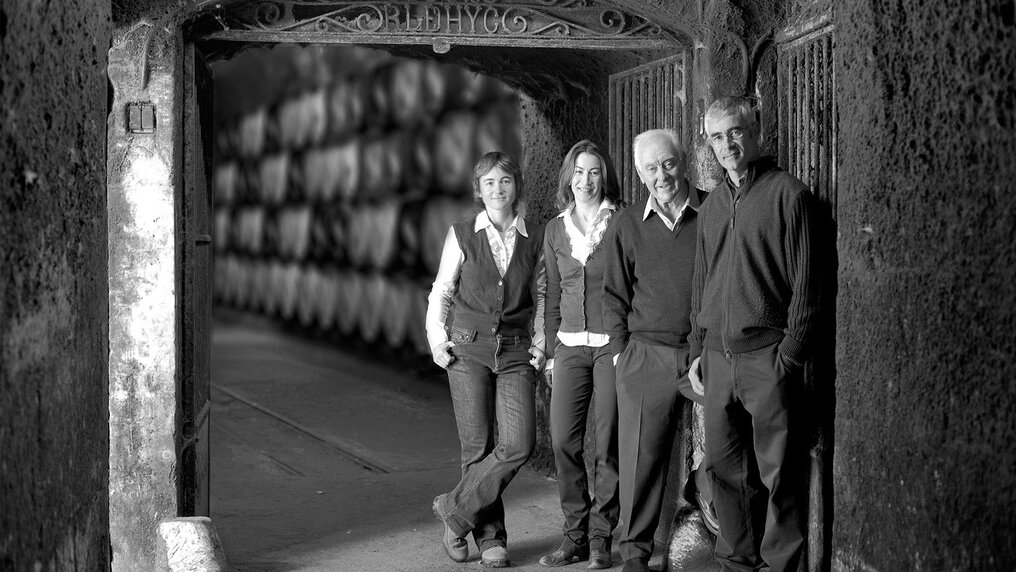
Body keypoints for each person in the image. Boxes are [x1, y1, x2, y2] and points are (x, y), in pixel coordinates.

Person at [688, 95, 827, 571]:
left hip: (767, 358)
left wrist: (788, 356)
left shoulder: (790, 195)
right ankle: (736, 561)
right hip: (717, 359)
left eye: (735, 132)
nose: (727, 144)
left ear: (754, 132)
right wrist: (697, 349)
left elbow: (809, 288)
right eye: (716, 137)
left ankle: (780, 566)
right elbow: (701, 283)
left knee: (780, 475)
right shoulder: (710, 207)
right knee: (725, 472)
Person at [427, 151, 547, 569]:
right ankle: (491, 539)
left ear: (517, 186)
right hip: (467, 345)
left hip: (515, 349)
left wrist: (541, 339)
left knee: (517, 443)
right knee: (476, 447)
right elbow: (442, 289)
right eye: (489, 182)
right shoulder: (462, 233)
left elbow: (544, 294)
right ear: (478, 190)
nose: (498, 189)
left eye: (506, 181)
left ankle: (454, 510)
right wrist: (437, 339)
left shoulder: (537, 236)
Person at [602, 128, 706, 572]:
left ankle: (720, 544)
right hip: (644, 354)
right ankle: (635, 556)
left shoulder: (713, 211)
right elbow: (612, 294)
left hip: (704, 354)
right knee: (641, 463)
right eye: (650, 168)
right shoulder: (627, 223)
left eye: (667, 163)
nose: (661, 175)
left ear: (683, 161)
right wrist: (621, 353)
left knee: (727, 448)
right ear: (640, 174)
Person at [538, 140, 625, 569]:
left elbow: (632, 285)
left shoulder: (622, 221)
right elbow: (552, 292)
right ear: (567, 178)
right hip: (570, 348)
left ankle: (601, 537)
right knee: (563, 442)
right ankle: (573, 535)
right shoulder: (555, 230)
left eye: (593, 172)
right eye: (578, 172)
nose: (585, 180)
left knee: (607, 443)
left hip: (611, 346)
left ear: (603, 176)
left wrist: (626, 343)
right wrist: (552, 353)